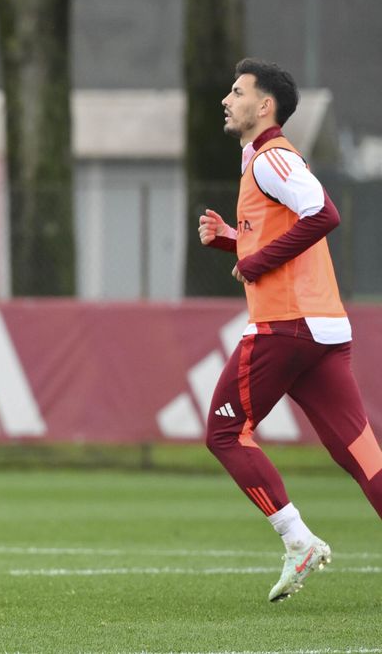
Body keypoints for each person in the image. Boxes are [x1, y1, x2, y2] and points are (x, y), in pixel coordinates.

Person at [198, 58, 382, 602]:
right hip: (322, 330)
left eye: (238, 92)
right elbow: (286, 233)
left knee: (225, 433)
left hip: (286, 326)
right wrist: (234, 240)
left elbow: (323, 213)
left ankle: (298, 540)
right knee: (361, 455)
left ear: (265, 106)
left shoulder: (271, 158)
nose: (227, 100)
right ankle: (300, 541)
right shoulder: (263, 161)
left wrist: (254, 260)